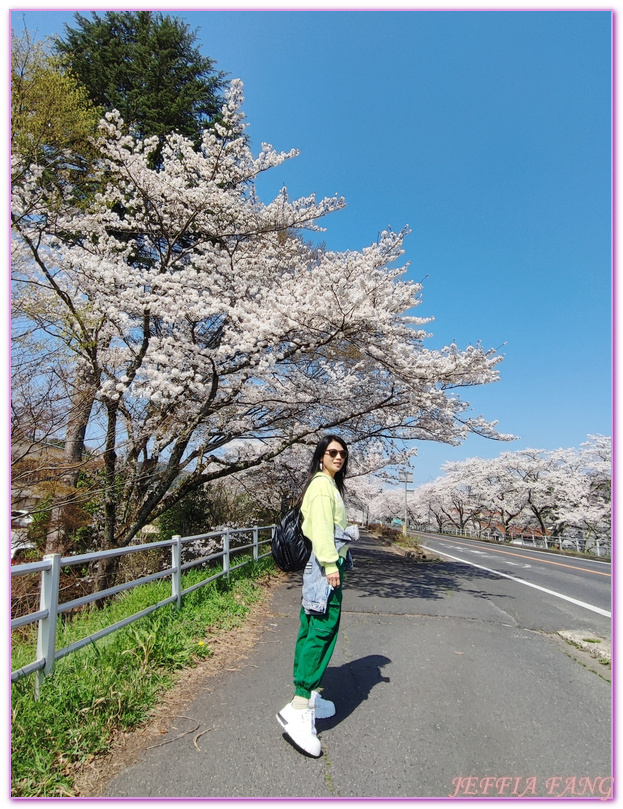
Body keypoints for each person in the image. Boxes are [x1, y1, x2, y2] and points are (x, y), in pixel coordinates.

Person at [276, 434, 359, 756]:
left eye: (342, 453)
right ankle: (300, 708)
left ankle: (307, 696)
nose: (339, 457)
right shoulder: (323, 487)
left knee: (311, 627)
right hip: (325, 566)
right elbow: (322, 529)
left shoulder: (323, 485)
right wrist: (330, 565)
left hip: (320, 567)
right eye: (332, 452)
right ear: (321, 456)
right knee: (322, 631)